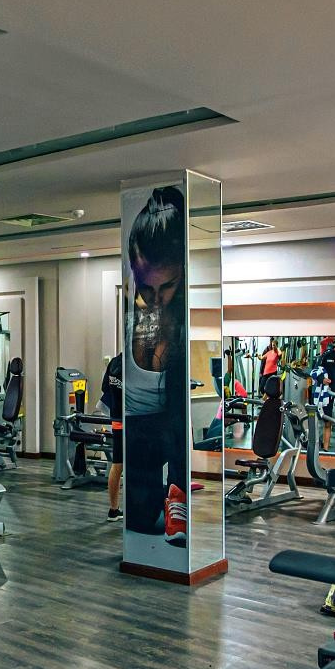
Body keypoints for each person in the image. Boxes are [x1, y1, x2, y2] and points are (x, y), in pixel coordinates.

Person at [124, 186, 191, 546]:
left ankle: (177, 493)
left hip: (169, 425)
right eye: (145, 287)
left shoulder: (181, 325)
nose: (156, 299)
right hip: (135, 427)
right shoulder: (128, 316)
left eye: (167, 286)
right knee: (138, 521)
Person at [101, 352, 125, 519]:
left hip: (116, 420)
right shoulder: (134, 364)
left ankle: (113, 509)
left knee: (117, 465)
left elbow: (105, 388)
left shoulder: (115, 362)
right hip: (131, 421)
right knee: (136, 466)